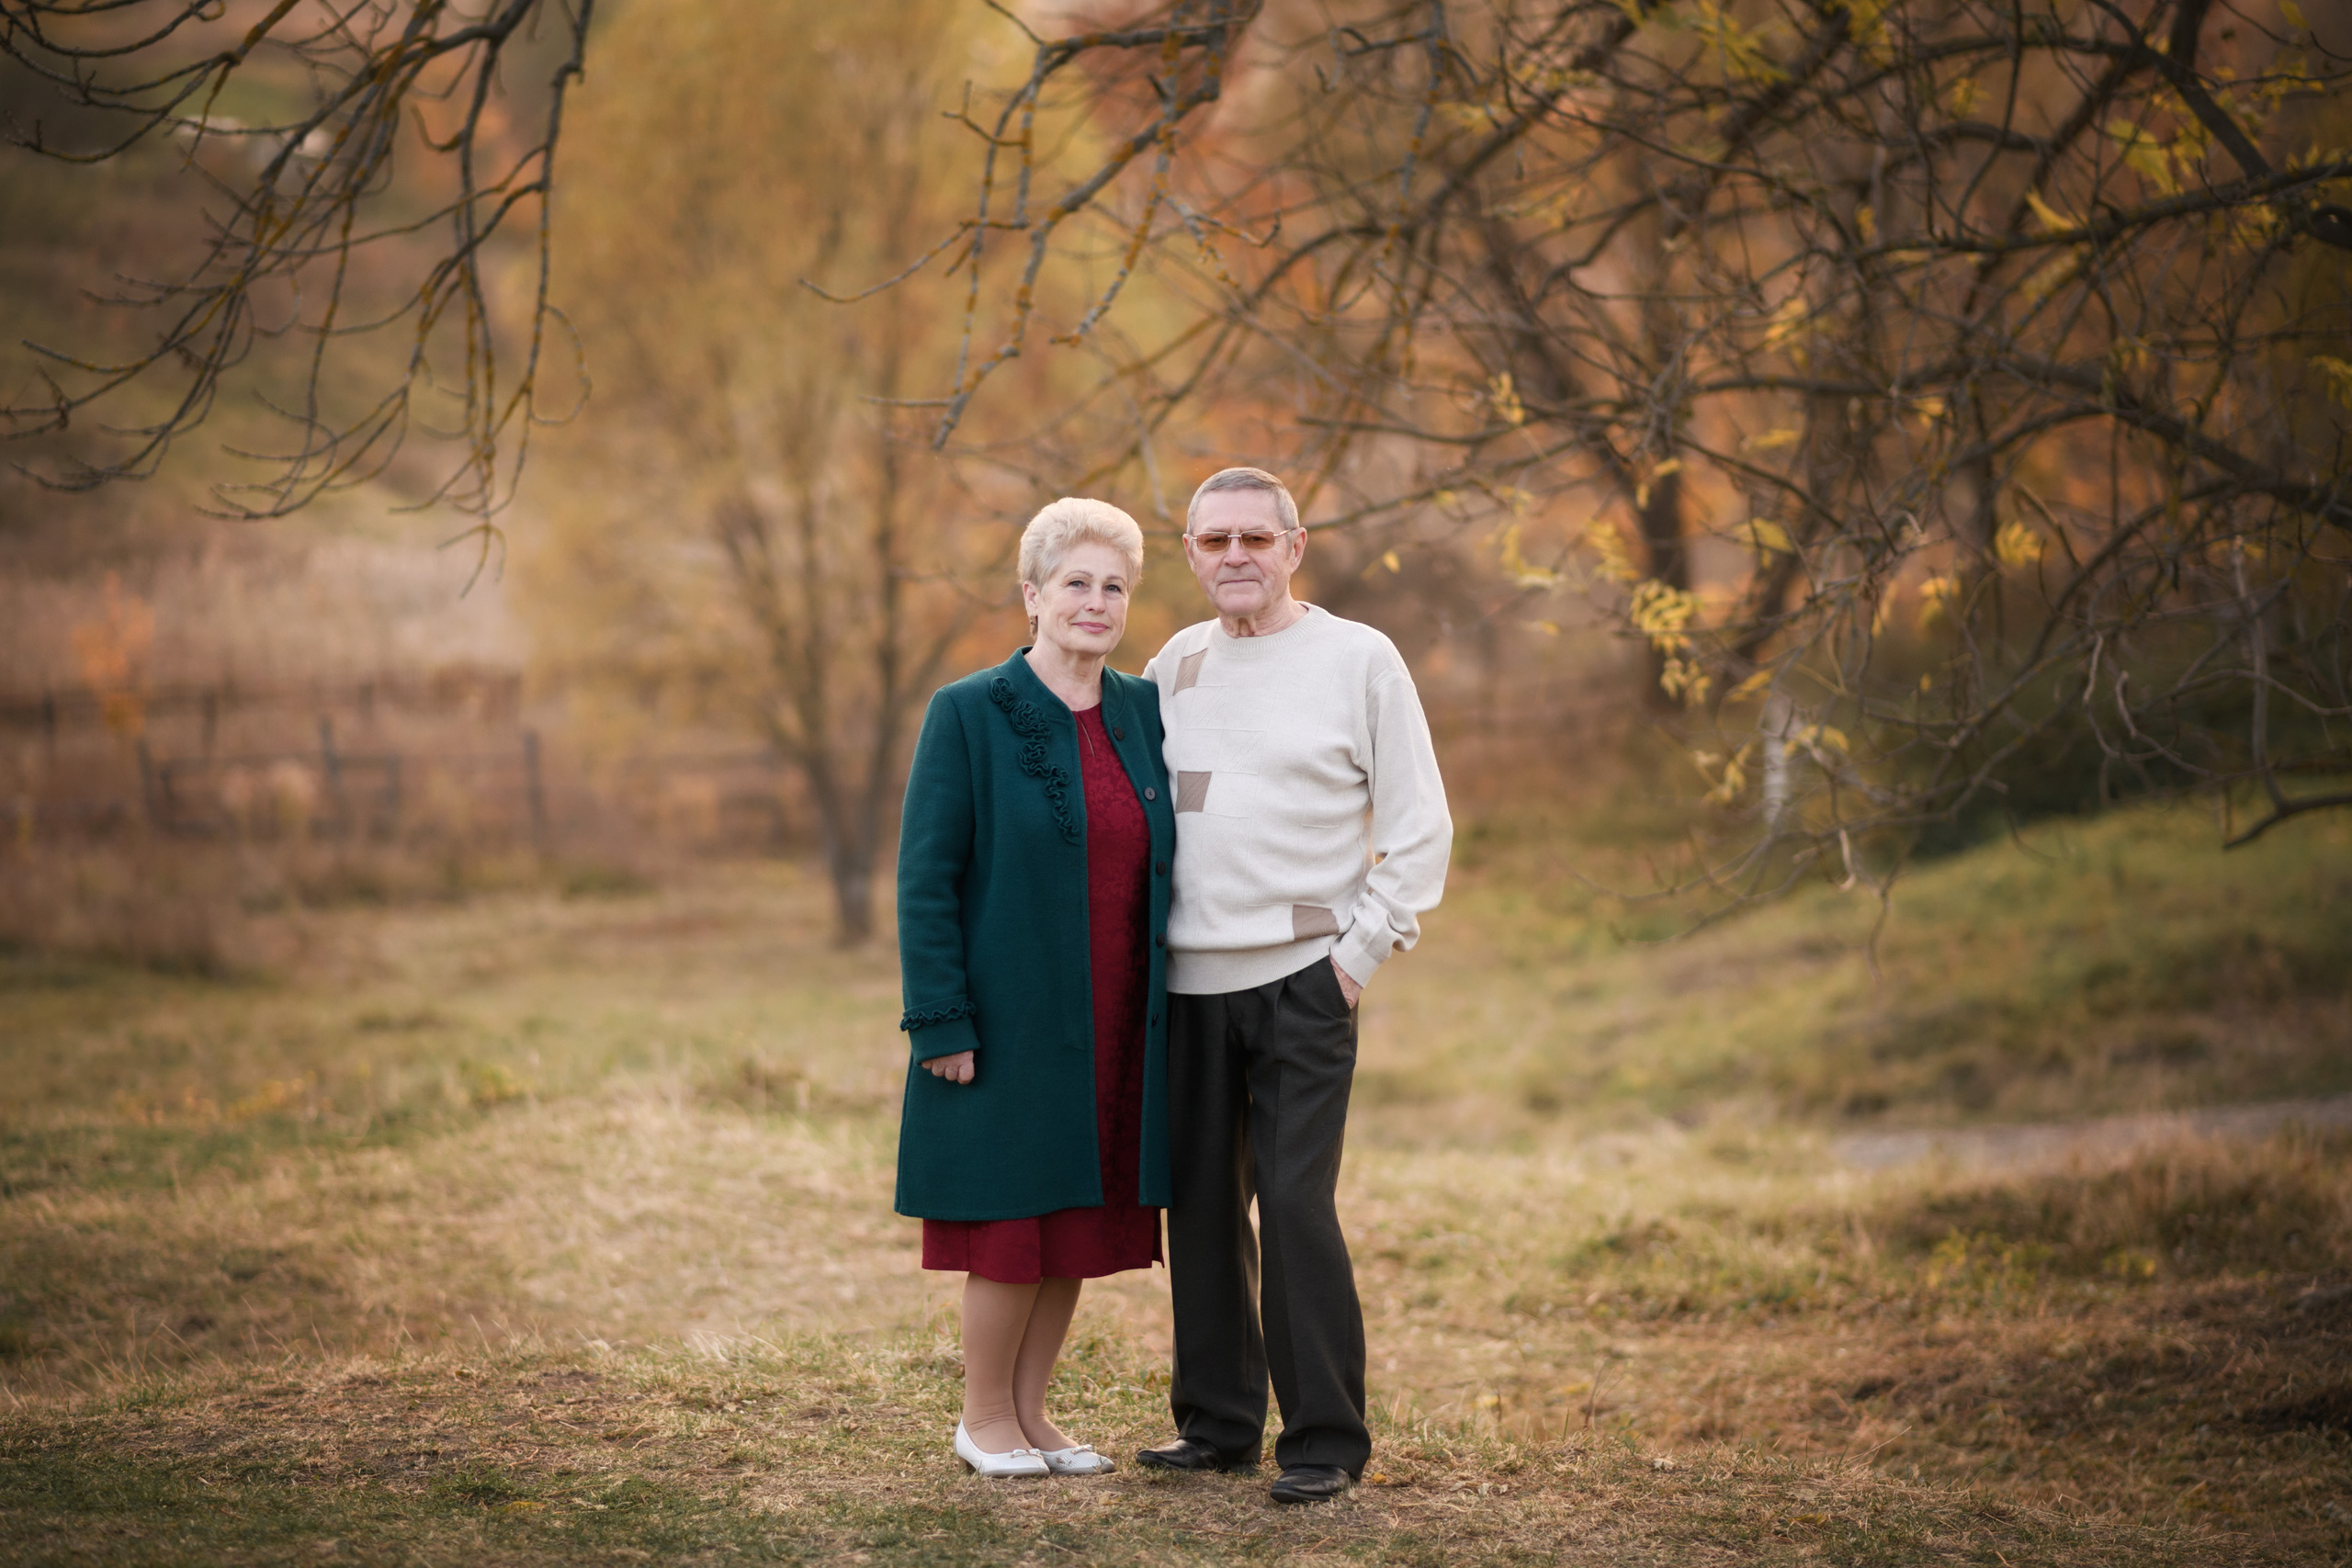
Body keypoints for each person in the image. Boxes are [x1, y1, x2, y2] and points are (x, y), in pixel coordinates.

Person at [1136, 467, 1453, 1505]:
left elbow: (1418, 830)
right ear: (1189, 555)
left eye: (1254, 541)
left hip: (1303, 980)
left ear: (1294, 547)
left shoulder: (1359, 659)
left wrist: (1358, 957)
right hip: (1187, 984)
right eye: (1214, 541)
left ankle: (1322, 1438)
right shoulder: (1173, 664)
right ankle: (1219, 1424)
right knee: (1201, 1209)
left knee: (1296, 1204)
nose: (1235, 557)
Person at [894, 497, 1178, 1479]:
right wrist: (941, 1020)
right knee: (1010, 1227)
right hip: (1007, 1021)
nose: (1095, 603)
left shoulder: (1144, 709)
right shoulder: (967, 712)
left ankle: (1031, 1416)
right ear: (1033, 595)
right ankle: (981, 1420)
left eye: (1113, 587)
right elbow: (925, 878)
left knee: (1072, 1227)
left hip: (1115, 1020)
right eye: (1075, 584)